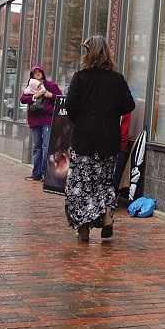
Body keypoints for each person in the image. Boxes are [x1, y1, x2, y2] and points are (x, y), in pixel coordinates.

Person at [64, 35, 135, 241]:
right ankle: (107, 218)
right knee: (104, 182)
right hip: (108, 140)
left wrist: (82, 119)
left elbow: (70, 106)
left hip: (84, 140)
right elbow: (129, 105)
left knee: (82, 184)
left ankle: (84, 227)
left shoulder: (80, 77)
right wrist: (110, 113)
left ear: (88, 54)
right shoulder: (117, 79)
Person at [20, 66, 62, 181]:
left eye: (39, 72)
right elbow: (23, 99)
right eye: (35, 72)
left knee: (46, 146)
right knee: (37, 147)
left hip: (47, 120)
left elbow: (61, 99)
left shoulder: (51, 86)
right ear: (32, 75)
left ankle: (45, 174)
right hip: (34, 120)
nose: (37, 74)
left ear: (43, 73)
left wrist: (51, 95)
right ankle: (36, 174)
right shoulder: (30, 86)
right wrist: (35, 96)